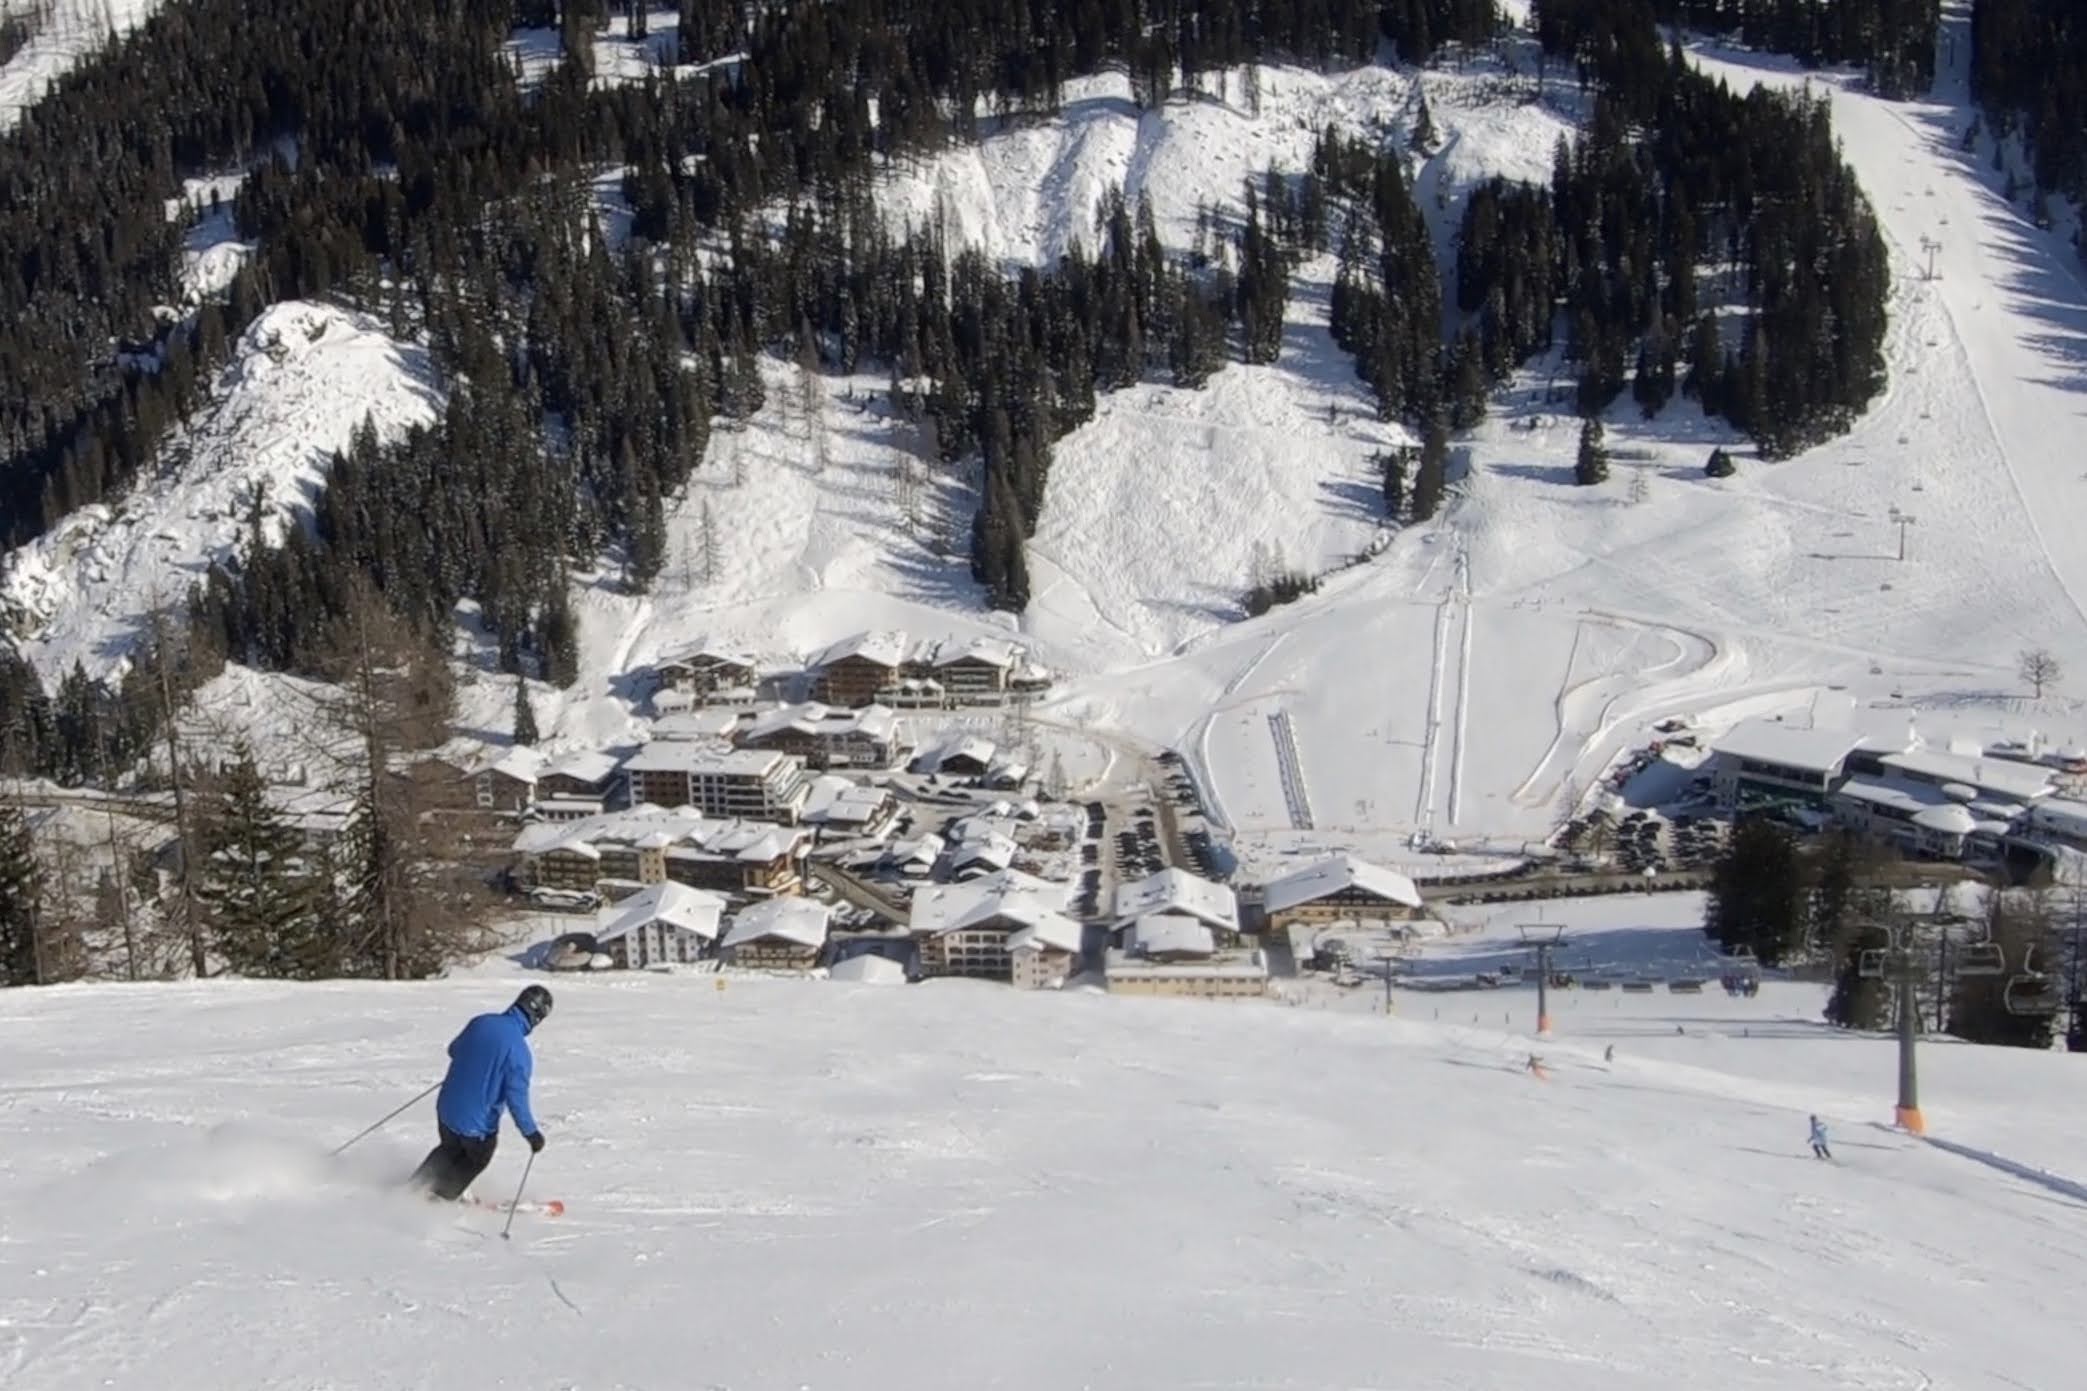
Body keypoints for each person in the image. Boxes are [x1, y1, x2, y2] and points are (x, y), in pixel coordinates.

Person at [409, 985, 552, 1200]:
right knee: (477, 1157)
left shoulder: (481, 1022)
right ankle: (441, 1197)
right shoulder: (519, 1053)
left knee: (449, 1148)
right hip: (476, 1126)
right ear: (537, 1018)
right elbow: (517, 1101)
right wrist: (531, 1134)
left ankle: (414, 1187)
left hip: (447, 1108)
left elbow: (454, 1050)